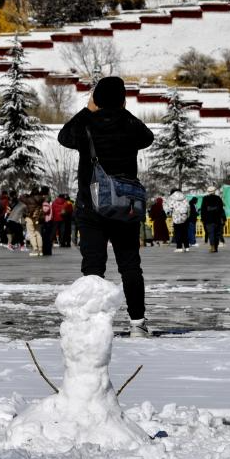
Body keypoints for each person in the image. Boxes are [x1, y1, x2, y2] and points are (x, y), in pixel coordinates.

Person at [58, 76, 155, 338]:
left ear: (96, 99)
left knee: (93, 266)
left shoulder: (87, 123)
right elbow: (147, 137)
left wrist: (87, 110)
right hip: (125, 206)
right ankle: (137, 323)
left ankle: (94, 323)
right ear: (122, 100)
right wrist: (122, 111)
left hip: (91, 206)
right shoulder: (129, 124)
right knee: (130, 266)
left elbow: (63, 137)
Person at [199, 188, 225, 253]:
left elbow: (203, 210)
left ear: (208, 191)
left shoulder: (205, 198)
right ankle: (216, 247)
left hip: (208, 220)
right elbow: (221, 209)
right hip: (217, 219)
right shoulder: (218, 198)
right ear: (214, 191)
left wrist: (202, 218)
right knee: (216, 234)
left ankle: (212, 246)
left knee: (211, 233)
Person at [39, 186, 55, 256]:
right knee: (47, 236)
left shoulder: (42, 198)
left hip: (45, 220)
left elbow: (45, 208)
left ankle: (46, 250)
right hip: (47, 220)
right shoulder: (46, 198)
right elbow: (46, 209)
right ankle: (47, 251)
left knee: (45, 236)